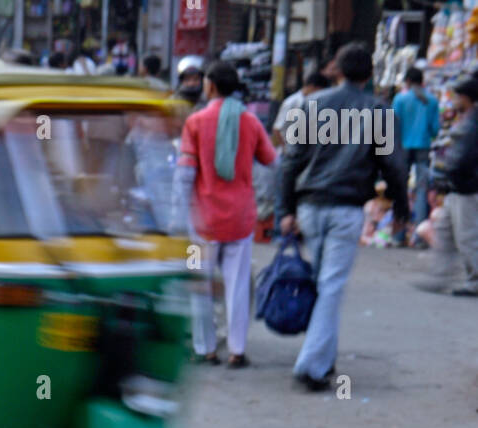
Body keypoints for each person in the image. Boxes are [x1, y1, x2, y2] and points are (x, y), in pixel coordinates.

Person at [276, 42, 408, 390]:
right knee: (331, 286)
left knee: (324, 284)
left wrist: (285, 210)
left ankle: (324, 358)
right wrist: (401, 209)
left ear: (338, 70)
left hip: (310, 207)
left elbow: (290, 161)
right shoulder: (379, 112)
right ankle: (311, 366)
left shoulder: (310, 105)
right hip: (346, 209)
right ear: (369, 74)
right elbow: (394, 166)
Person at [172, 59, 275, 368]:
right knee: (238, 286)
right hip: (241, 220)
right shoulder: (252, 122)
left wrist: (176, 218)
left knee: (198, 287)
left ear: (211, 86)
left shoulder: (195, 122)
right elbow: (271, 161)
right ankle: (237, 350)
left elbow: (185, 174)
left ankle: (205, 348)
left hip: (199, 223)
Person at [421, 75, 478, 295]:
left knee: (467, 236)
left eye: (458, 96)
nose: (455, 100)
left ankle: (474, 282)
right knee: (444, 231)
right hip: (456, 186)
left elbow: (465, 157)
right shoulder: (467, 118)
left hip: (466, 187)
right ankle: (439, 276)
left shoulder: (474, 121)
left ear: (467, 97)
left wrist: (452, 175)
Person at [393, 66, 440, 240]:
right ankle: (419, 237)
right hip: (423, 148)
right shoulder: (432, 101)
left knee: (400, 190)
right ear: (422, 81)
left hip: (402, 148)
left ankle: (398, 236)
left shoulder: (400, 99)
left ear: (407, 81)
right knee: (421, 190)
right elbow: (435, 130)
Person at [272, 65, 326, 148]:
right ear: (312, 86)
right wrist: (285, 149)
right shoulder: (292, 102)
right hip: (290, 150)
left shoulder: (312, 101)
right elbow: (277, 128)